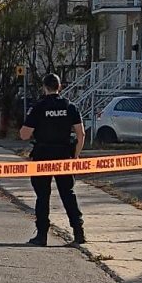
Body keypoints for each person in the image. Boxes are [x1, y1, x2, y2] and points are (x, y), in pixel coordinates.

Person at [19, 72, 85, 246]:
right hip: (64, 156)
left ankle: (41, 236)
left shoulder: (38, 107)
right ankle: (79, 232)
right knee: (68, 194)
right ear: (59, 87)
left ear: (44, 87)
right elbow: (81, 133)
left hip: (42, 156)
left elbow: (24, 135)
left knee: (43, 195)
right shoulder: (70, 106)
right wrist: (75, 156)